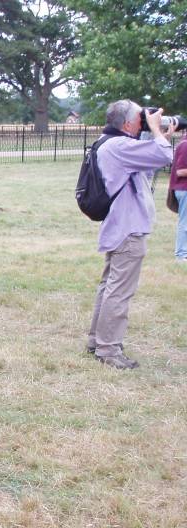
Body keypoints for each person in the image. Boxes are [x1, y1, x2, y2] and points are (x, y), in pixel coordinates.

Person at [87, 100, 175, 369]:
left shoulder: (109, 143)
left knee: (109, 287)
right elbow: (165, 156)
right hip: (128, 229)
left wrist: (159, 134)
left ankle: (97, 341)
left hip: (119, 226)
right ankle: (108, 349)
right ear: (127, 123)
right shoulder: (119, 145)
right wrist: (156, 130)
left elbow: (148, 164)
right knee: (119, 292)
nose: (143, 121)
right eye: (140, 118)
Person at [169, 134, 187, 262]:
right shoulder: (185, 145)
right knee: (184, 223)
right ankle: (181, 255)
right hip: (184, 189)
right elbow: (180, 171)